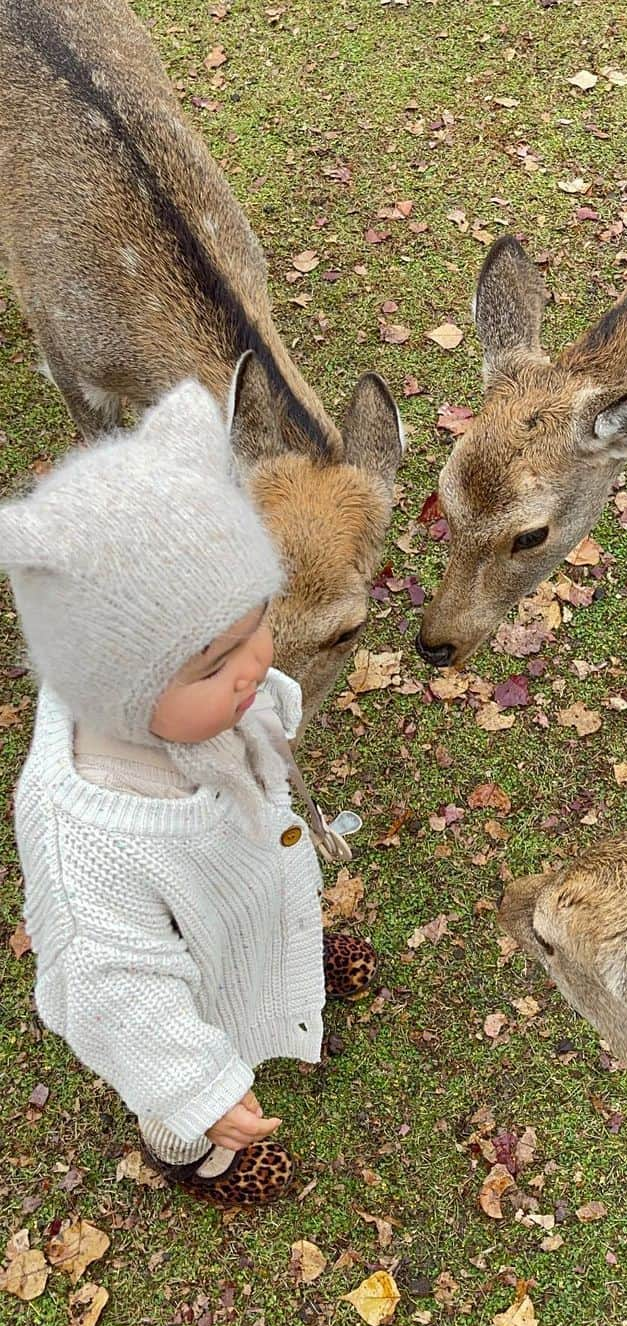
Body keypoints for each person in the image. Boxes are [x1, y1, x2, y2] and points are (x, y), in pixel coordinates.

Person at [2, 377, 375, 1205]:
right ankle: (187, 1152)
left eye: (257, 625)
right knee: (181, 1093)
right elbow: (117, 991)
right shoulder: (89, 839)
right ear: (117, 686)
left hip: (245, 895)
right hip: (181, 986)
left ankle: (292, 965)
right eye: (216, 662)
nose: (257, 668)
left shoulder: (206, 711)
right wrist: (197, 1089)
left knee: (267, 921)